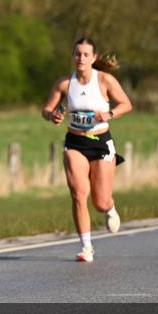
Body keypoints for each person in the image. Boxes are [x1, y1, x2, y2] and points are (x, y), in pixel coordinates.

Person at [42, 36, 133, 263]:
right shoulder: (65, 84)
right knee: (79, 194)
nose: (80, 58)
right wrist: (52, 115)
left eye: (85, 54)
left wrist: (109, 114)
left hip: (101, 142)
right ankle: (86, 247)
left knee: (100, 202)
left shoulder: (104, 80)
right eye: (77, 54)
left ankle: (110, 207)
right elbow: (46, 109)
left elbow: (126, 104)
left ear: (93, 57)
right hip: (75, 143)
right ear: (72, 56)